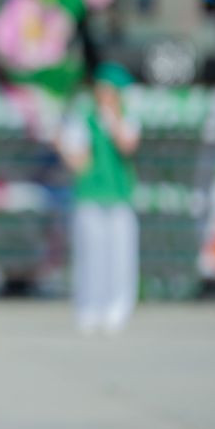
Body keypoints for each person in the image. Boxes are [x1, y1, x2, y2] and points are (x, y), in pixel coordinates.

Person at [56, 62, 141, 334]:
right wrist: (65, 146)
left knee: (120, 254)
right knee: (90, 253)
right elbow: (77, 159)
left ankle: (118, 306)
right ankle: (89, 306)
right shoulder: (83, 116)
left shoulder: (128, 116)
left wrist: (113, 120)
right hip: (90, 193)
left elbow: (127, 145)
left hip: (119, 195)